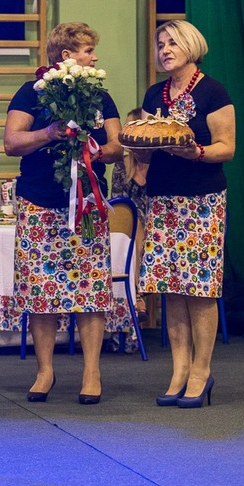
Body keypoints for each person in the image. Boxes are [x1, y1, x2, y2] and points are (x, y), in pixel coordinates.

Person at [4, 22, 123, 404]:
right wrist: (50, 133)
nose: (94, 57)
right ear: (66, 56)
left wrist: (91, 151)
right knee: (41, 291)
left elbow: (117, 144)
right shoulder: (31, 92)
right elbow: (12, 142)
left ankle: (91, 370)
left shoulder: (99, 96)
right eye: (88, 51)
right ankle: (45, 370)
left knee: (89, 289)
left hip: (86, 201)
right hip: (39, 202)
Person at [137, 20, 235, 408]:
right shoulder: (154, 93)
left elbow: (226, 147)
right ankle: (179, 370)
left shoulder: (213, 91)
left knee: (200, 288)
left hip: (202, 200)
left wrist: (196, 152)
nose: (164, 50)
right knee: (170, 288)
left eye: (171, 42)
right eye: (160, 44)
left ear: (191, 45)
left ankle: (201, 371)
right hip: (163, 199)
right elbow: (143, 140)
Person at [109, 108, 150, 350]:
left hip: (155, 226)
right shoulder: (122, 166)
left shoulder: (161, 164)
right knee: (132, 224)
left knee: (140, 227)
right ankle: (138, 298)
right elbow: (118, 203)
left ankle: (137, 296)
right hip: (127, 226)